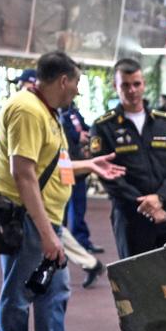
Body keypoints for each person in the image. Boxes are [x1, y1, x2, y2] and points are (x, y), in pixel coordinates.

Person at [0, 51, 124, 331]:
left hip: (43, 221)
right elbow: (23, 174)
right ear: (63, 80)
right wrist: (47, 234)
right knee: (20, 296)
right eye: (76, 82)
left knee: (52, 294)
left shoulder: (45, 111)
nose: (77, 90)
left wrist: (89, 165)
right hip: (30, 222)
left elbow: (52, 164)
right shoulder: (27, 110)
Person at [91, 57, 166, 261]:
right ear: (115, 86)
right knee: (138, 284)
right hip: (131, 218)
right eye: (125, 85)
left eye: (136, 84)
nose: (132, 90)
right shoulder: (104, 127)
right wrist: (145, 204)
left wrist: (159, 199)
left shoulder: (165, 123)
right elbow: (108, 176)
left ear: (143, 84)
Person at [58, 99, 106, 288]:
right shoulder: (56, 114)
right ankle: (89, 262)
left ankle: (87, 256)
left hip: (69, 168)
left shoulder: (69, 114)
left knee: (60, 222)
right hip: (65, 168)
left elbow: (75, 138)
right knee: (55, 226)